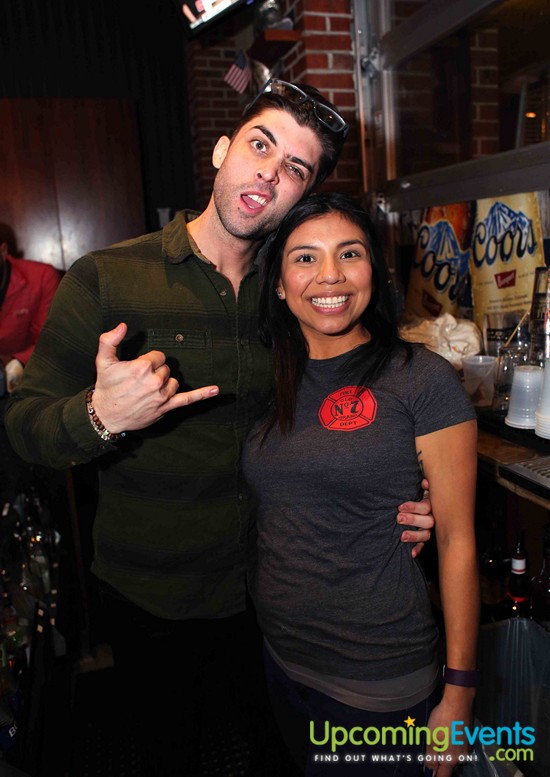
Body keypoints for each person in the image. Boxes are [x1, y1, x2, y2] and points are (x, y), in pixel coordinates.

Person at [5, 82, 434, 776]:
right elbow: (23, 427)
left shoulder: (297, 290)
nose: (269, 172)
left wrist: (414, 485)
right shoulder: (107, 278)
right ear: (221, 150)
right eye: (261, 146)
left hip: (276, 598)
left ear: (304, 194)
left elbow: (363, 392)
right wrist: (99, 416)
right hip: (151, 601)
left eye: (295, 168)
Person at [242, 192, 479, 776]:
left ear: (374, 268)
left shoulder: (421, 379)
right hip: (281, 657)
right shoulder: (271, 378)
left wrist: (459, 693)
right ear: (278, 284)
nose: (331, 275)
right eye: (305, 258)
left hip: (376, 680)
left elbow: (457, 542)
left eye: (349, 253)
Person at [0, 223, 61, 501]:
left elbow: (52, 340)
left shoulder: (41, 277)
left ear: (3, 251)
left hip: (34, 387)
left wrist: (16, 360)